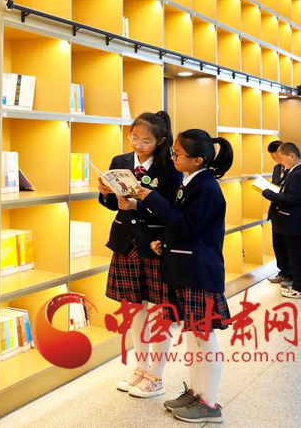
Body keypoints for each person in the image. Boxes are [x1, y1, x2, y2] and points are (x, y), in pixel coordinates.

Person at [121, 129, 233, 424]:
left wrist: (151, 198)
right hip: (186, 269)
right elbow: (183, 225)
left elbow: (189, 226)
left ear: (197, 160)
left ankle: (209, 403)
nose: (173, 157)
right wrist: (165, 240)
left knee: (204, 338)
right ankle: (195, 393)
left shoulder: (206, 187)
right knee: (194, 337)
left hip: (199, 272)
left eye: (178, 154)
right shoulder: (191, 181)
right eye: (174, 152)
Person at [96, 111, 180, 398]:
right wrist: (105, 193)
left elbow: (171, 211)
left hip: (155, 243)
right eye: (134, 138)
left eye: (146, 141)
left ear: (160, 141)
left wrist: (138, 206)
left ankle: (156, 375)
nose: (138, 145)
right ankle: (140, 368)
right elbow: (112, 204)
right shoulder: (120, 161)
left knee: (160, 311)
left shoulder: (170, 167)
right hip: (125, 241)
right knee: (134, 309)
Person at [262, 142, 301, 300]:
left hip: (295, 224)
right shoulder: (296, 172)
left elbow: (292, 198)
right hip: (291, 223)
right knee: (295, 256)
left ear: (292, 156)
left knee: (297, 257)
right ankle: (298, 285)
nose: (280, 162)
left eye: (282, 158)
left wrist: (269, 194)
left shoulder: (300, 174)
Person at [267, 139, 292, 286]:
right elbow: (276, 185)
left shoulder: (293, 169)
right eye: (273, 158)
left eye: (278, 157)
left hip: (288, 213)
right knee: (277, 244)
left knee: (289, 246)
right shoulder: (277, 168)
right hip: (276, 210)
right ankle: (283, 272)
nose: (277, 160)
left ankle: (291, 276)